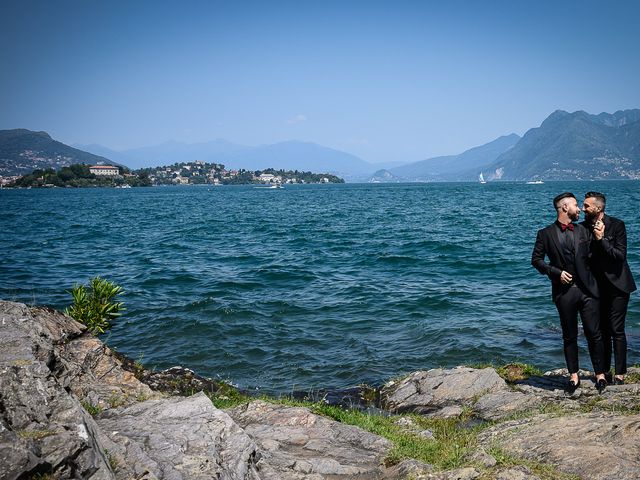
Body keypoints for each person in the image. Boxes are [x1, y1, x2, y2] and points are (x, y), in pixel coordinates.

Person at [531, 192, 607, 392]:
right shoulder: (545, 234)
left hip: (588, 290)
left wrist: (600, 239)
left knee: (594, 333)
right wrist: (555, 273)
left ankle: (599, 374)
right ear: (564, 208)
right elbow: (536, 260)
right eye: (575, 205)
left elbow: (597, 256)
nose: (579, 209)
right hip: (563, 293)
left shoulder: (584, 230)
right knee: (569, 335)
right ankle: (573, 376)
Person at [582, 191, 637, 385]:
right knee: (601, 330)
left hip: (619, 285)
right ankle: (603, 372)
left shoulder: (617, 225)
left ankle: (620, 373)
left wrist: (601, 239)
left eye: (587, 206)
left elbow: (620, 256)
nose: (583, 208)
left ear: (598, 208)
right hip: (596, 287)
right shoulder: (582, 228)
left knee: (617, 330)